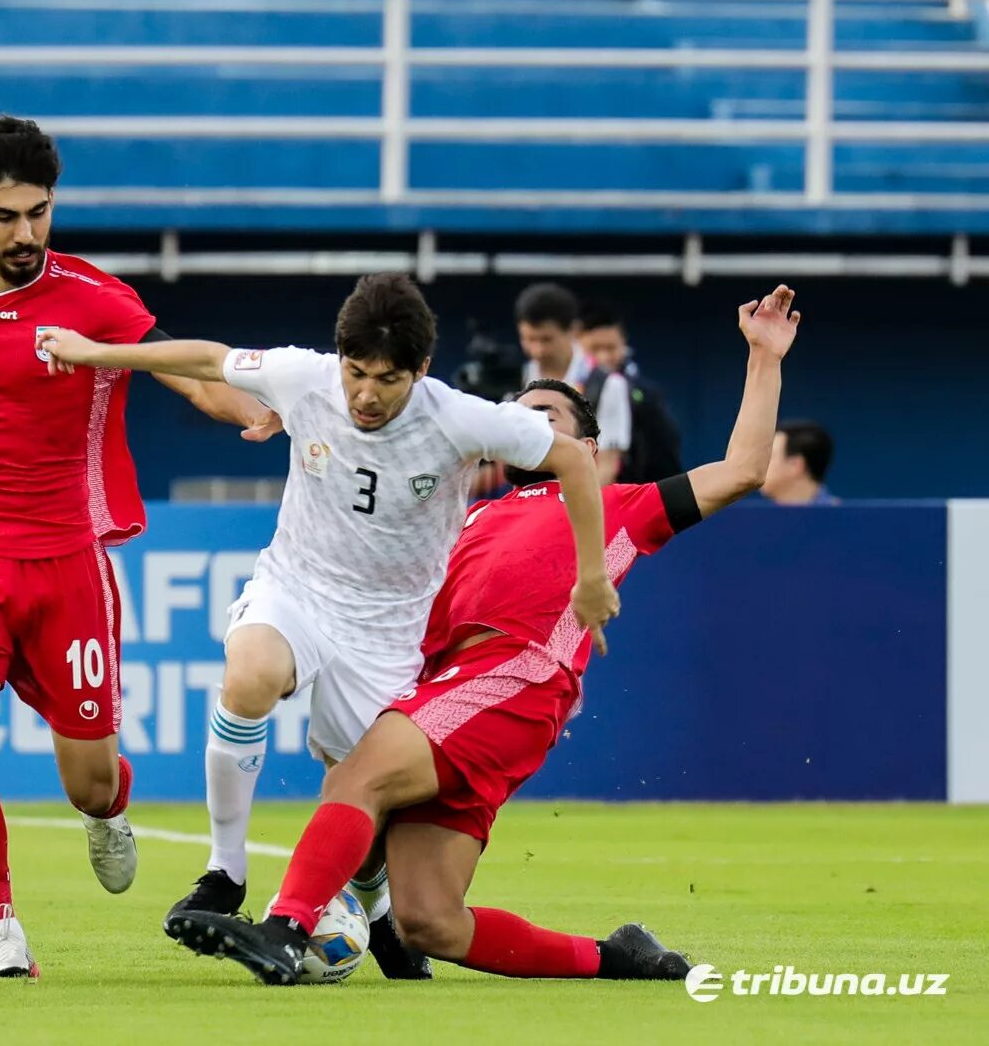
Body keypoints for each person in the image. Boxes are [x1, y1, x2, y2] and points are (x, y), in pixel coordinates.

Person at [168, 285, 801, 986]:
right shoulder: (463, 515)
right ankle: (616, 958)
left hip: (512, 675)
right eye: (519, 413)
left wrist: (762, 358)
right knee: (431, 919)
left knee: (358, 777)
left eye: (548, 416)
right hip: (456, 693)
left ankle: (283, 930)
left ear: (583, 446)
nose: (527, 423)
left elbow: (743, 471)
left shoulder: (621, 505)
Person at [38, 271, 618, 978]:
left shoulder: (459, 416)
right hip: (297, 588)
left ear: (420, 371)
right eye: (354, 373)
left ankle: (376, 918)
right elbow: (203, 357)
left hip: (387, 635)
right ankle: (224, 872)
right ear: (336, 358)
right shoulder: (302, 377)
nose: (366, 395)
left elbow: (571, 459)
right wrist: (93, 352)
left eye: (386, 379)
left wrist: (591, 578)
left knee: (361, 812)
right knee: (248, 676)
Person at [0, 116, 274, 980]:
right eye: (5, 216)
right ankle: (0, 926)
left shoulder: (93, 297)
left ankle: (105, 811)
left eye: (38, 213)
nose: (25, 234)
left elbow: (184, 371)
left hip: (66, 565)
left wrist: (260, 413)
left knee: (89, 779)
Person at [516, 283, 633, 484]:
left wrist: (568, 509)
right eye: (529, 339)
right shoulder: (518, 378)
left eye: (546, 340)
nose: (538, 350)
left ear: (573, 330)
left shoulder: (606, 384)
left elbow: (607, 465)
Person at [578, 304, 683, 483]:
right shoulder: (565, 391)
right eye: (594, 349)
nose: (603, 357)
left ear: (623, 345)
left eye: (611, 348)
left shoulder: (647, 395)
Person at [762, 420, 839, 505]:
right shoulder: (761, 517)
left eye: (769, 457)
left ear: (795, 465)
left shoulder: (841, 517)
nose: (760, 465)